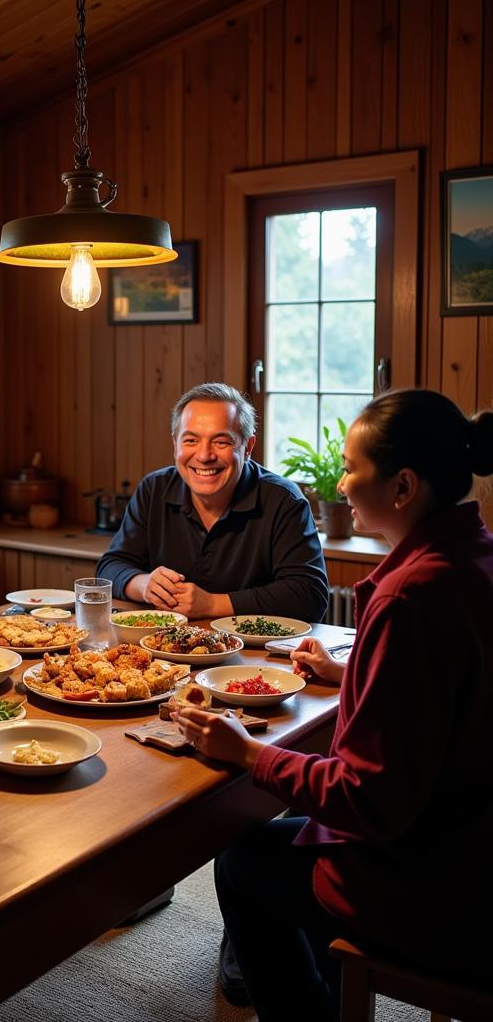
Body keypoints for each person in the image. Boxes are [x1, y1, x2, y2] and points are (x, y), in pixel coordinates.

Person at [174, 389, 493, 1022]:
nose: (340, 483)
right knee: (285, 844)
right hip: (473, 837)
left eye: (351, 468)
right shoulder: (473, 557)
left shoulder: (410, 596)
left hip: (439, 880)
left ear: (402, 487)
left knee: (244, 857)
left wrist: (249, 753)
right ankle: (326, 978)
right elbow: (443, 697)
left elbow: (364, 795)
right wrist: (349, 670)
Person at [97, 382, 329, 622]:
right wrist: (144, 585)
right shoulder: (153, 489)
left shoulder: (284, 500)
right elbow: (110, 567)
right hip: (164, 652)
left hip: (257, 655)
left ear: (248, 447)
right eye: (190, 441)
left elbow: (309, 595)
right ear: (175, 443)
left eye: (221, 442)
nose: (204, 455)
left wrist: (212, 604)